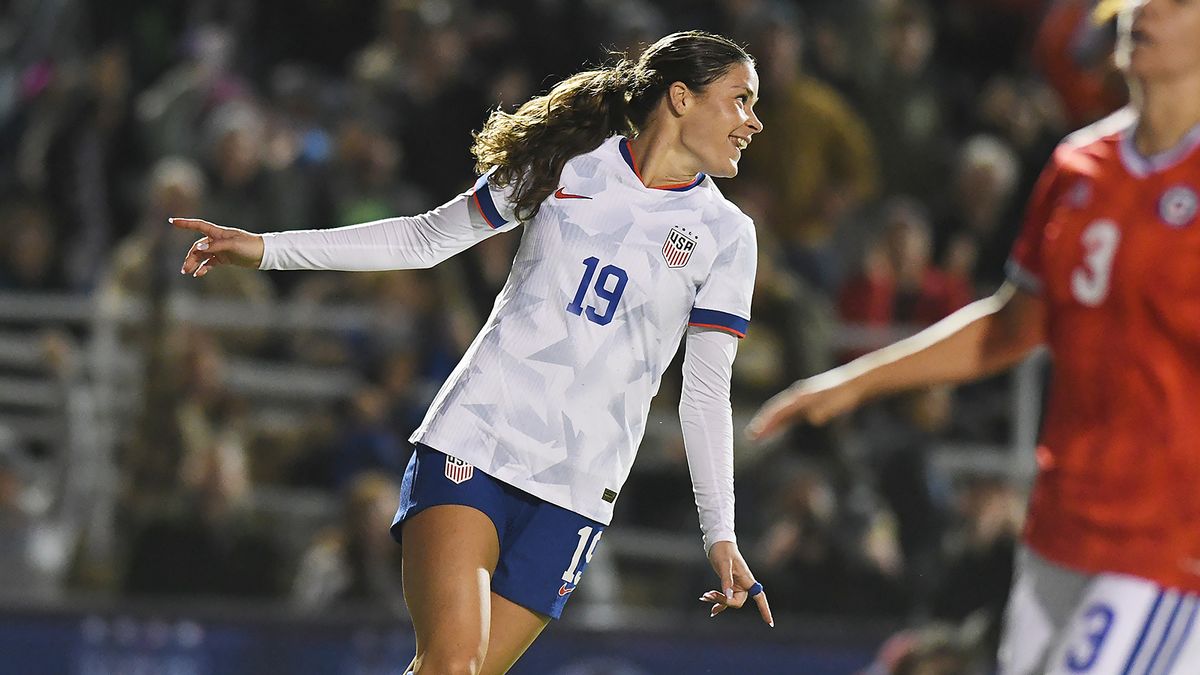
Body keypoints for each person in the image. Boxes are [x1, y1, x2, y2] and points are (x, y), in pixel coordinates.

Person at [174, 30, 772, 675]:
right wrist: (266, 248)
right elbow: (425, 240)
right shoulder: (569, 164)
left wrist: (721, 532)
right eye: (740, 100)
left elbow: (707, 391)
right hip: (478, 442)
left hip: (575, 490)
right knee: (452, 663)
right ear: (681, 98)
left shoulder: (728, 237)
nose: (753, 121)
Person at [748, 2, 1200, 673]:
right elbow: (1013, 324)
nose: (1145, 10)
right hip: (1061, 524)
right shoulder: (1079, 166)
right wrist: (855, 380)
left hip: (1167, 541)